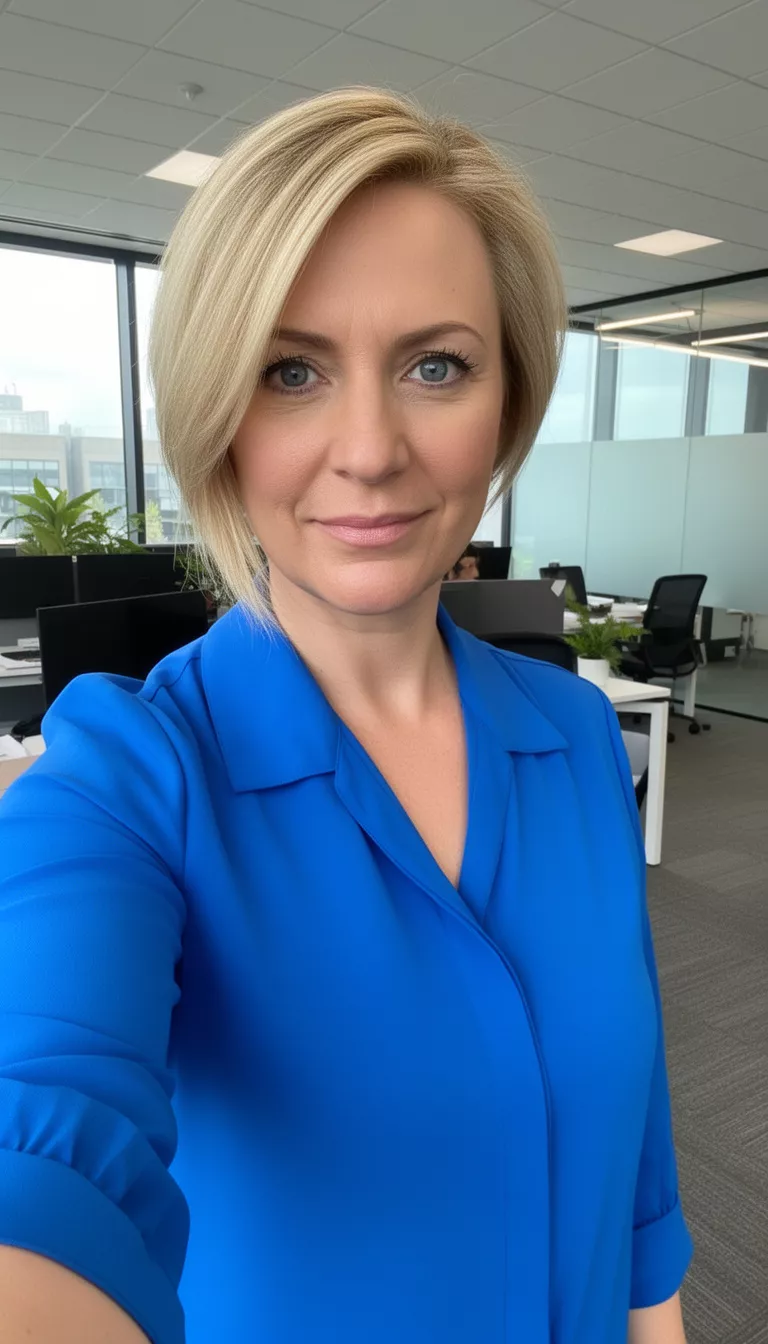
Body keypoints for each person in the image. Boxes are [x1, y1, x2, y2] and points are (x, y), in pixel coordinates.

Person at [0, 88, 692, 1344]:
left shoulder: (577, 735)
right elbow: (43, 1139)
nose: (370, 449)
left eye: (436, 366)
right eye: (291, 370)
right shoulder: (129, 782)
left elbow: (634, 1161)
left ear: (508, 400)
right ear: (216, 410)